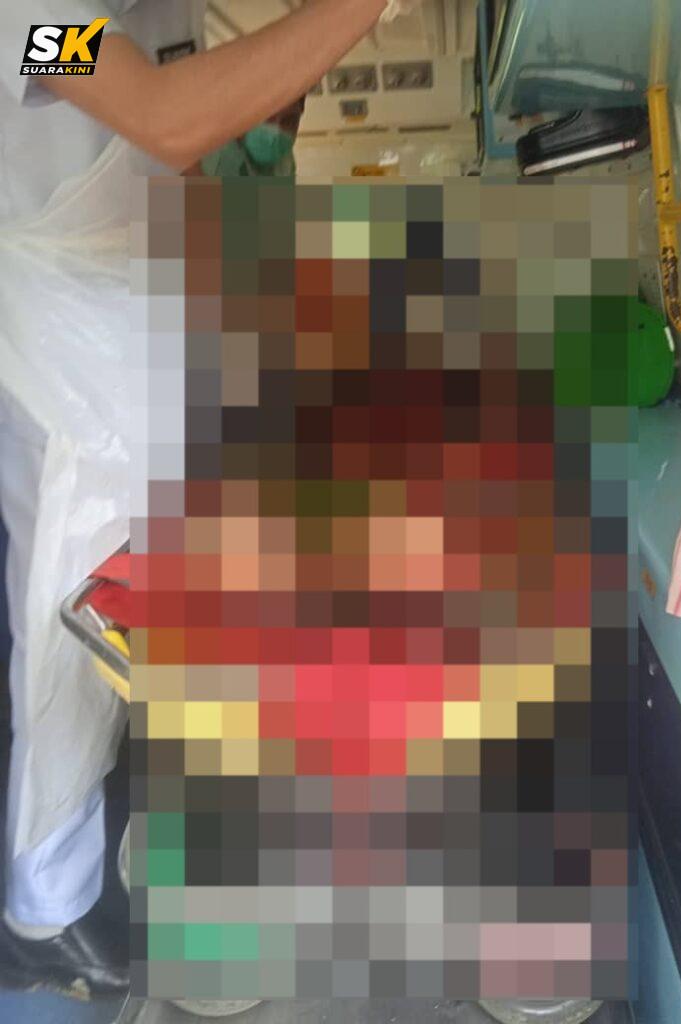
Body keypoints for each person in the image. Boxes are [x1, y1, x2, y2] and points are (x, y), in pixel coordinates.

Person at [0, 0, 390, 997]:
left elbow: (175, 155)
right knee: (64, 621)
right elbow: (164, 114)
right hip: (51, 342)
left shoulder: (152, 6)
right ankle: (46, 908)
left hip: (126, 310)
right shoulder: (39, 18)